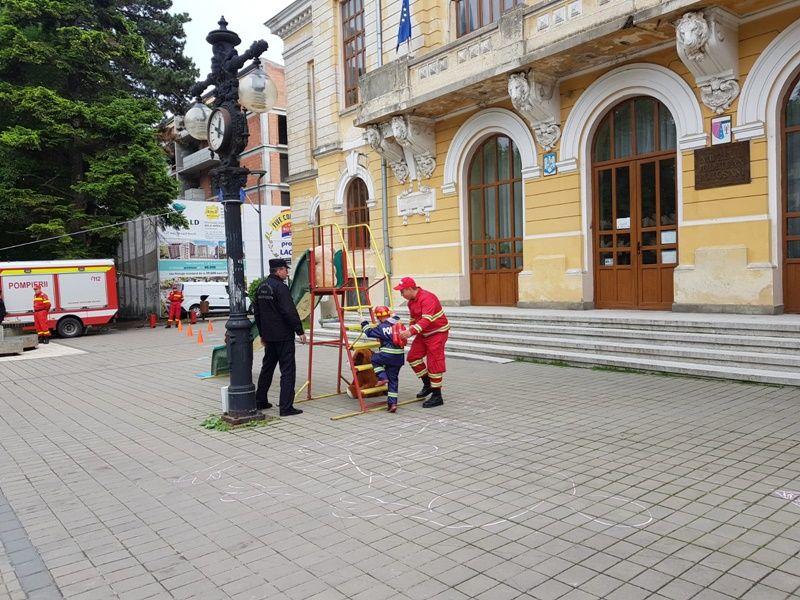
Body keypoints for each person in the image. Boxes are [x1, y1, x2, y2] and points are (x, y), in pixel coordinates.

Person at [254, 258, 307, 417]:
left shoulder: (261, 287)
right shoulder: (280, 287)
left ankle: (260, 400)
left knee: (267, 368)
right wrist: (299, 330)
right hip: (283, 336)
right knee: (287, 371)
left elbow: (257, 313)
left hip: (269, 336)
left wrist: (262, 334)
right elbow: (289, 311)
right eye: (285, 269)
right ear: (278, 270)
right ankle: (286, 407)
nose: (287, 272)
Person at [395, 277, 449, 408]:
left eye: (402, 291)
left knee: (434, 363)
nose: (401, 294)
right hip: (423, 333)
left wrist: (410, 332)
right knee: (413, 357)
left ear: (409, 289)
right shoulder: (410, 302)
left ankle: (437, 396)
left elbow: (426, 320)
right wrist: (408, 332)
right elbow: (413, 319)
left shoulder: (427, 298)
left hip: (437, 332)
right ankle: (428, 384)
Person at [361, 306, 404, 413]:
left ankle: (382, 377)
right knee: (393, 380)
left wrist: (364, 323)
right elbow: (396, 318)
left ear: (379, 317)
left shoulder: (381, 327)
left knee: (374, 359)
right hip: (399, 356)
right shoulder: (397, 323)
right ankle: (392, 404)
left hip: (387, 354)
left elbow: (369, 332)